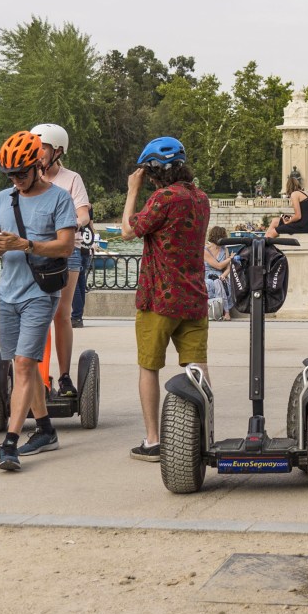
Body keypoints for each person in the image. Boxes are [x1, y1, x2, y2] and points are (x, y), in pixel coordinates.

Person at [0, 130, 77, 471]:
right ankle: (45, 429)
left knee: (24, 365)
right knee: (21, 364)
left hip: (41, 293)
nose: (15, 180)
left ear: (37, 165)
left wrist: (25, 245)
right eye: (9, 175)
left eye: (21, 173)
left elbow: (66, 247)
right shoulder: (1, 198)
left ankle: (9, 442)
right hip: (7, 293)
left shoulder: (59, 199)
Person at [122, 136, 210, 461]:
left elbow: (128, 230)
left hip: (159, 298)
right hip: (195, 297)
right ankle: (205, 434)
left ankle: (153, 440)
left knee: (149, 367)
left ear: (154, 171)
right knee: (197, 366)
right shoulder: (202, 198)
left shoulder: (163, 198)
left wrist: (133, 190)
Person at [31, 123, 91, 399]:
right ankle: (40, 377)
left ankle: (65, 376)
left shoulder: (71, 179)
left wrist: (69, 225)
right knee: (37, 313)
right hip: (36, 251)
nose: (36, 153)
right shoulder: (26, 176)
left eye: (40, 148)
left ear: (56, 150)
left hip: (68, 250)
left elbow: (84, 214)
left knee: (61, 314)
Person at [265, 171, 308, 238]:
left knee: (272, 233)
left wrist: (289, 221)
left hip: (303, 226)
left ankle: (262, 244)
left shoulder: (294, 194)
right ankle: (262, 241)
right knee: (275, 221)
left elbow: (298, 216)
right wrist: (291, 217)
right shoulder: (307, 194)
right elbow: (305, 214)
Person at [205, 225, 234, 321]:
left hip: (221, 276)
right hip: (207, 275)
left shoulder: (224, 249)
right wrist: (230, 258)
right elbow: (218, 266)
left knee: (218, 282)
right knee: (211, 282)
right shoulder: (205, 250)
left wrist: (223, 275)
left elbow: (228, 268)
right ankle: (216, 311)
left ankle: (226, 312)